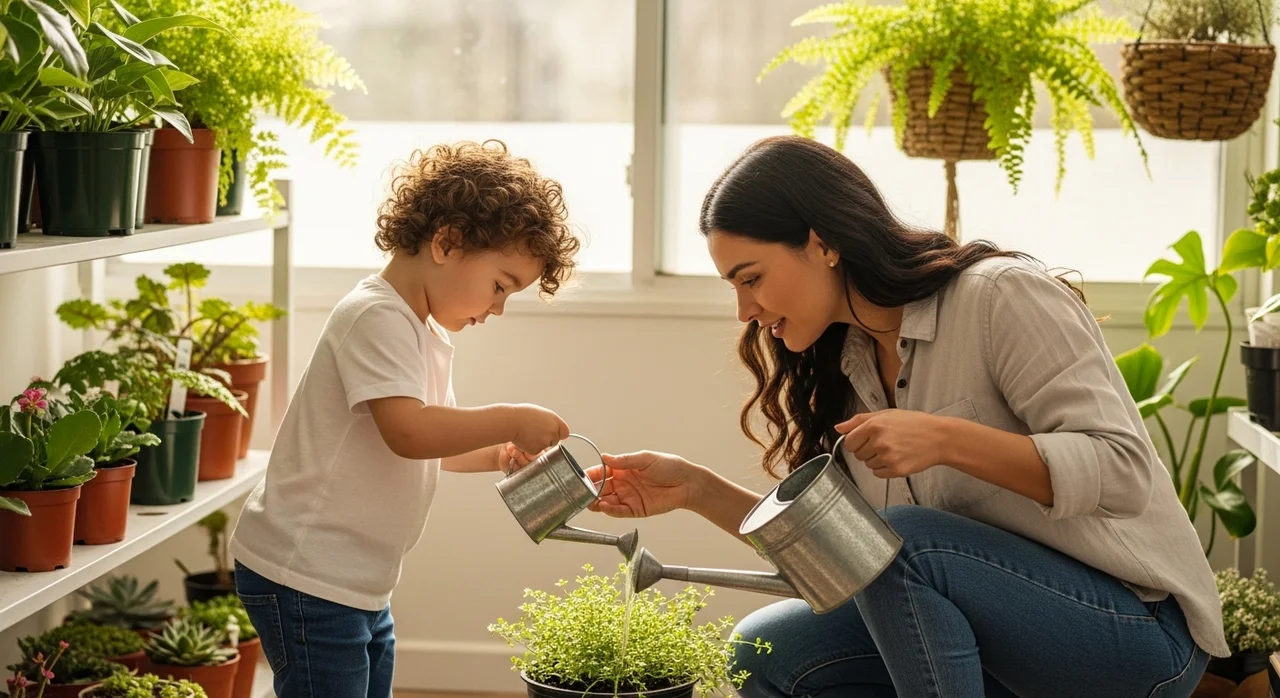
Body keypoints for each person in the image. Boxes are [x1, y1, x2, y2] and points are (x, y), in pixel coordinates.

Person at [591, 135, 1226, 697]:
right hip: (997, 643)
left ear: (822, 243)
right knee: (765, 651)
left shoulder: (999, 297)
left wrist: (946, 438)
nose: (743, 310)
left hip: (1136, 637)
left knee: (904, 541)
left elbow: (1123, 472)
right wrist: (696, 490)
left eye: (751, 278)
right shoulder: (848, 363)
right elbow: (842, 556)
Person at [230, 140, 578, 698]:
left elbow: (434, 438)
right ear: (447, 243)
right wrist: (512, 419)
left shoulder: (422, 331)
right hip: (307, 574)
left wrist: (494, 454)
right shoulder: (377, 317)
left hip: (357, 582)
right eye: (500, 286)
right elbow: (410, 432)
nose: (497, 309)